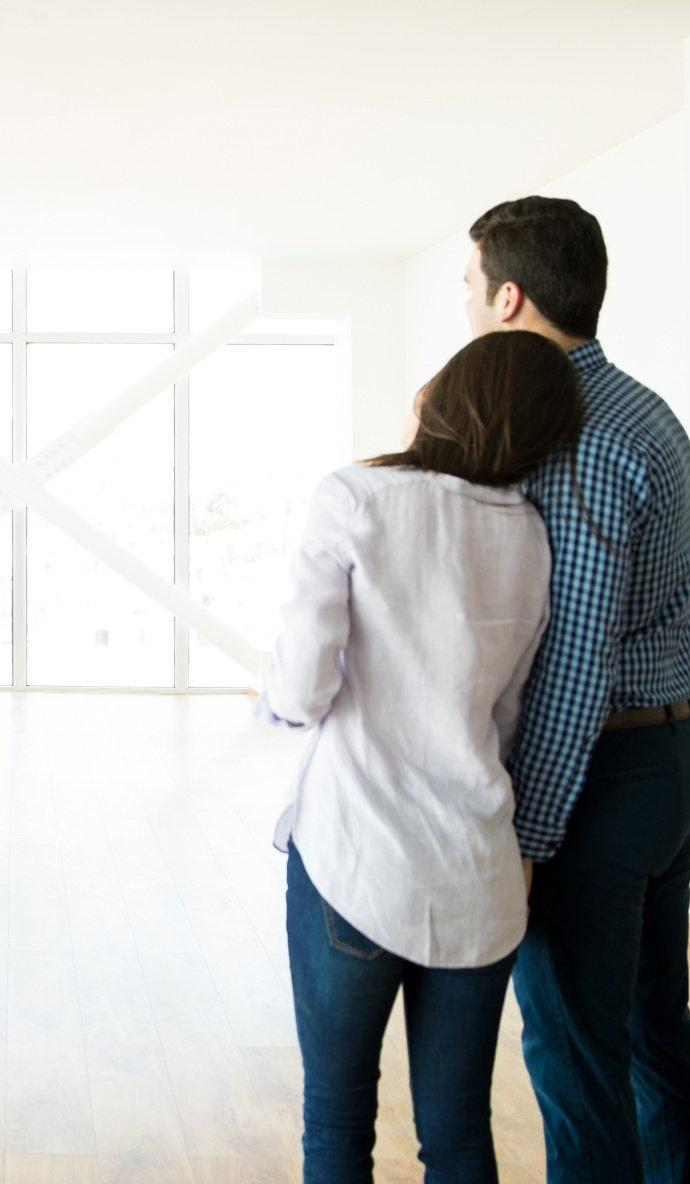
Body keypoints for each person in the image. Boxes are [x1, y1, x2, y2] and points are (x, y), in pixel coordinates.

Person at [261, 330, 585, 1182]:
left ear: (455, 396)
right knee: (459, 1134)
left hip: (355, 856)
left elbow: (299, 693)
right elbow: (509, 715)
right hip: (474, 874)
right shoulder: (529, 535)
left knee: (336, 1121)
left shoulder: (356, 497)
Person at [465, 196, 690, 1184]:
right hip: (665, 762)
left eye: (469, 289)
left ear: (509, 296)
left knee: (574, 1052)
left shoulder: (581, 429)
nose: (467, 310)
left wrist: (528, 837)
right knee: (653, 1033)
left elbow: (574, 660)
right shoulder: (647, 408)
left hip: (604, 773)